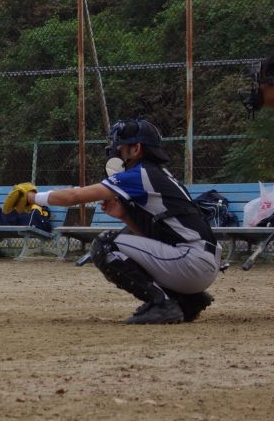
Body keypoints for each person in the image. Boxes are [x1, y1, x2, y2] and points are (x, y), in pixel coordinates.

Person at [18, 118, 220, 324]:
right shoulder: (158, 174)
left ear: (136, 149)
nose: (116, 152)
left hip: (190, 262)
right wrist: (124, 215)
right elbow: (153, 237)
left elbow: (74, 197)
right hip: (199, 262)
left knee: (105, 246)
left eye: (120, 147)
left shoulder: (140, 174)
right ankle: (188, 300)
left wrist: (31, 198)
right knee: (126, 235)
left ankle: (163, 303)